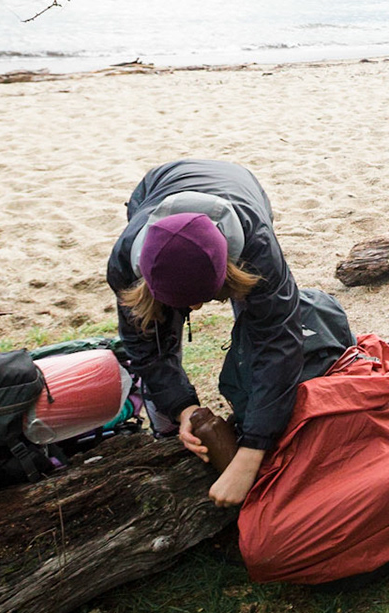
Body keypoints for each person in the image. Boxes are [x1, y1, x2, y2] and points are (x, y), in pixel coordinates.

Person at [108, 159, 353, 507]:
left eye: (204, 298)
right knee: (157, 330)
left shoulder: (258, 250)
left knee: (254, 328)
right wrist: (184, 409)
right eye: (187, 303)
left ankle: (252, 413)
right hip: (157, 186)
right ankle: (167, 435)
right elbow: (143, 345)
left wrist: (252, 452)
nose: (195, 309)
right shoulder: (124, 261)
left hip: (240, 186)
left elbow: (278, 342)